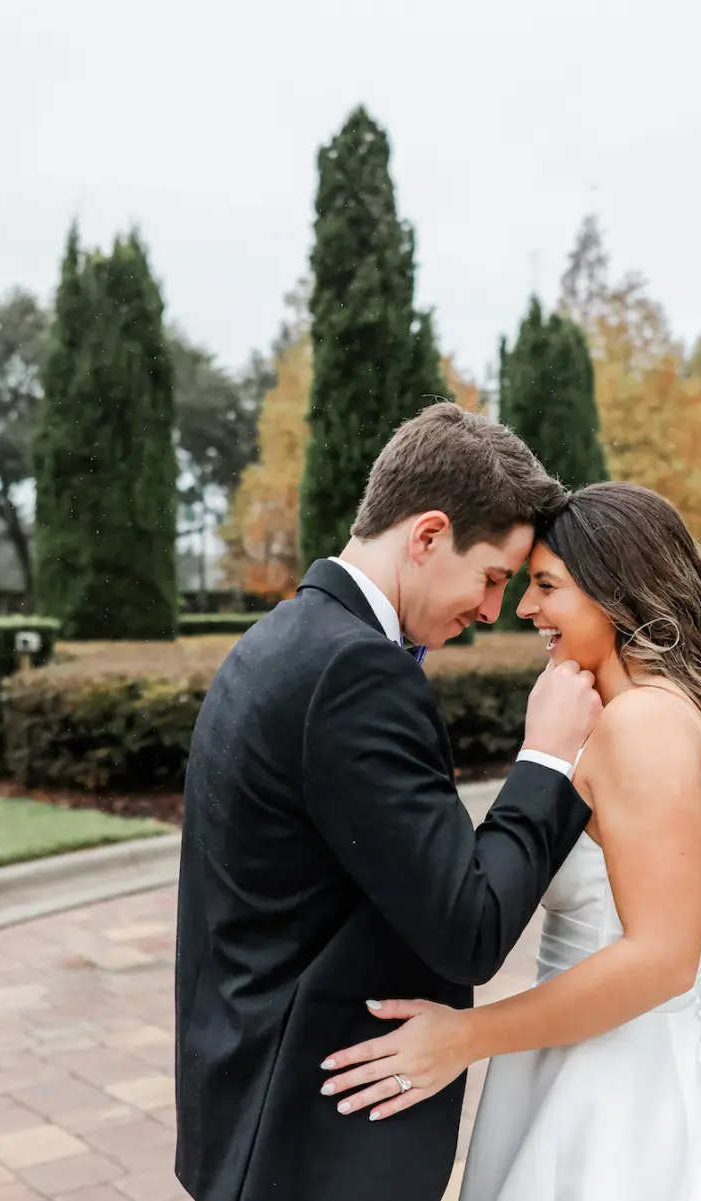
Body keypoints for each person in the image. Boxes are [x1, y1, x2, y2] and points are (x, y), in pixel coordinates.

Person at [173, 403, 604, 1201]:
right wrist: (546, 757)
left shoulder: (277, 639)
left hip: (252, 1110)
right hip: (315, 1141)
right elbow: (469, 927)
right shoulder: (355, 673)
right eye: (493, 577)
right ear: (429, 534)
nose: (488, 611)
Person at [318, 481, 701, 1200]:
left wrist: (464, 1035)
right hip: (612, 1064)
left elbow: (667, 961)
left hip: (615, 1104)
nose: (524, 607)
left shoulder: (642, 725)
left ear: (616, 592)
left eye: (546, 585)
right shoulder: (666, 715)